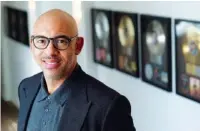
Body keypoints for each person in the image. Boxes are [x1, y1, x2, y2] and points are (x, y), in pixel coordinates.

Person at [17, 9, 136, 131]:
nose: (50, 52)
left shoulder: (109, 106)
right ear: (32, 45)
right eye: (41, 41)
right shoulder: (26, 88)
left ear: (78, 46)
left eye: (61, 41)